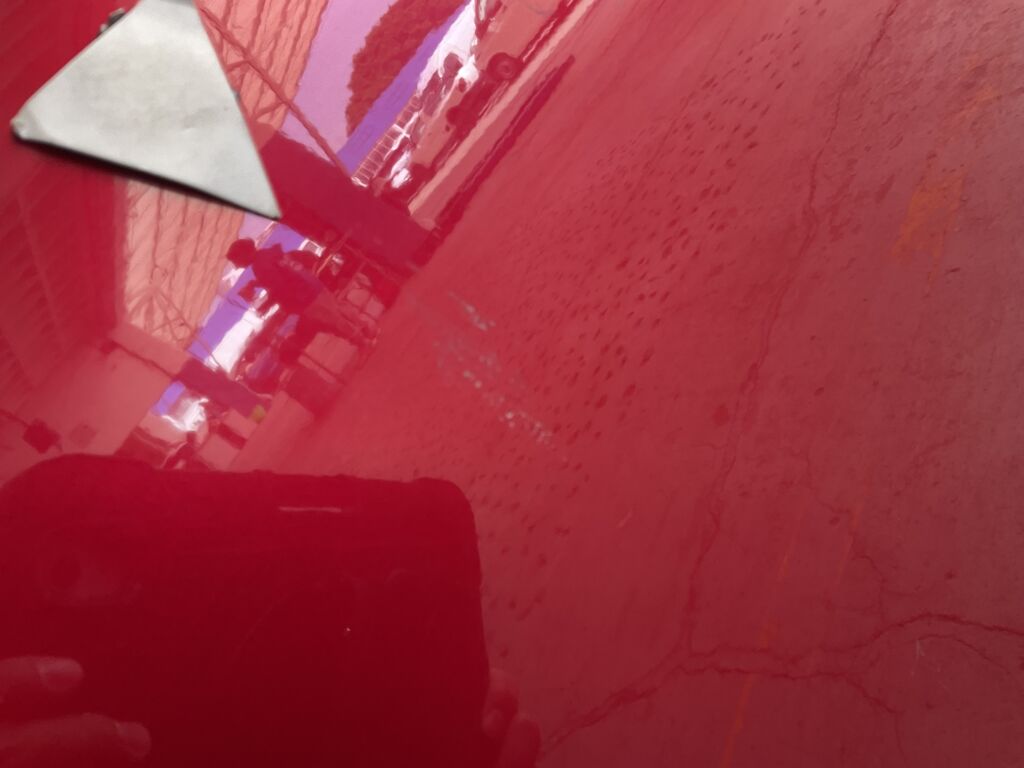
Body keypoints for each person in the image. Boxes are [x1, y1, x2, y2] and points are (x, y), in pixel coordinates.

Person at [226, 239, 376, 350]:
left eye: (236, 260)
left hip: (304, 295)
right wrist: (256, 283)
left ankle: (363, 343)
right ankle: (367, 328)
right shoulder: (268, 253)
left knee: (333, 320)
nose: (237, 265)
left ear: (243, 254)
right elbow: (282, 273)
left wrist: (267, 304)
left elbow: (279, 286)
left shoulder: (260, 266)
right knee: (338, 308)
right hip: (311, 283)